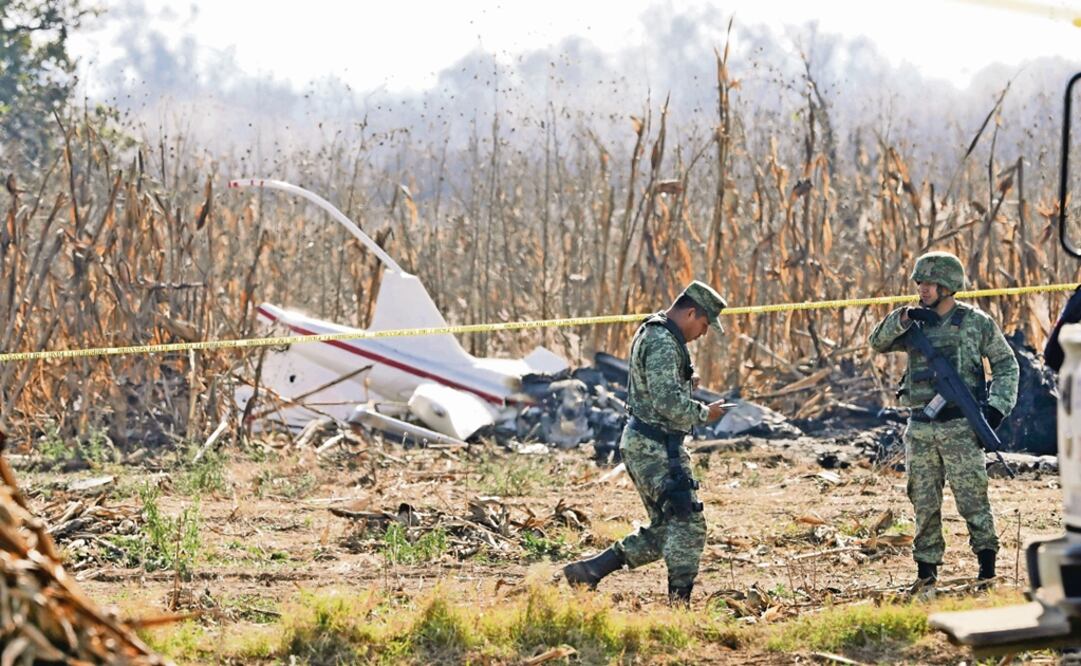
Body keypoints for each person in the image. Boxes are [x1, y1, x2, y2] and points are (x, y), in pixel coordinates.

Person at [562, 280, 729, 604]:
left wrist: (683, 380)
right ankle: (678, 608)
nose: (704, 333)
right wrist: (703, 413)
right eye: (705, 324)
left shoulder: (655, 331)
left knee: (667, 529)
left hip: (649, 443)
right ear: (691, 312)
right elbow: (667, 403)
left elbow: (655, 386)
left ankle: (590, 571)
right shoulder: (664, 341)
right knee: (688, 524)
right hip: (655, 447)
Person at [869, 251, 1018, 586]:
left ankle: (987, 570)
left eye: (930, 283)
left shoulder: (975, 323)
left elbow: (1006, 365)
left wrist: (996, 408)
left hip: (960, 426)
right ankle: (926, 574)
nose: (923, 288)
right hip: (920, 427)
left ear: (948, 286)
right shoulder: (912, 322)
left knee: (973, 500)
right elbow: (877, 342)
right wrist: (904, 317)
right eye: (920, 282)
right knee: (923, 502)